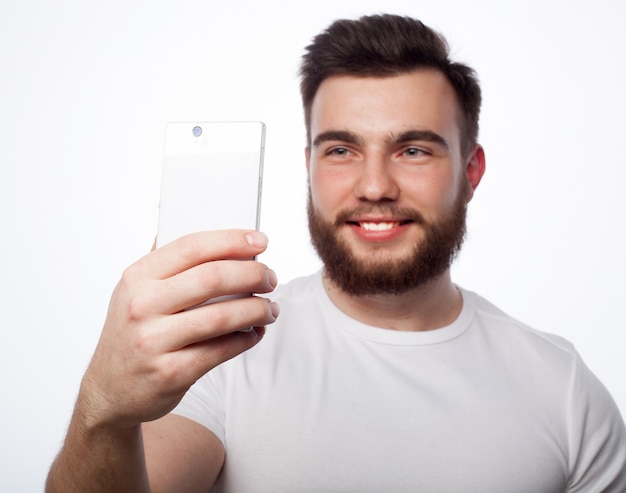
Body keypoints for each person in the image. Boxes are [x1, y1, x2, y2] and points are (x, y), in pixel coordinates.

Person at [46, 14, 626, 492]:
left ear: (470, 171)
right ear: (309, 168)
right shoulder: (220, 349)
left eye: (414, 150)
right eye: (342, 149)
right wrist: (103, 412)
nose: (374, 186)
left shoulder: (565, 390)